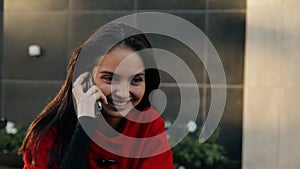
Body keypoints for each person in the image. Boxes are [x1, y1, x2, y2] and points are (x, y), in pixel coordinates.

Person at [19, 22, 174, 169]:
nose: (122, 93)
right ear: (85, 78)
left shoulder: (148, 126)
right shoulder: (48, 134)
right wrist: (86, 122)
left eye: (136, 80)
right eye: (109, 78)